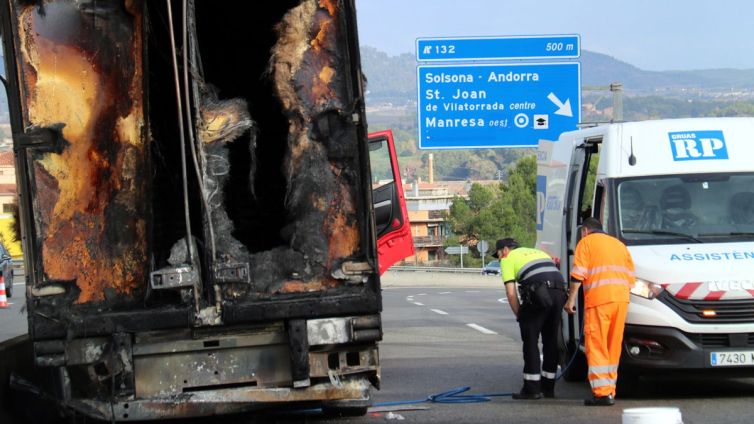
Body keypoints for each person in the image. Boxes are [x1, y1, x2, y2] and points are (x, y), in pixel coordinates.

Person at [565, 218, 635, 406]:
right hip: (621, 301)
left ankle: (601, 393)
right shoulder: (619, 245)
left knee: (596, 345)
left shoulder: (585, 243)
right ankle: (610, 390)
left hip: (599, 301)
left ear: (585, 231)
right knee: (613, 346)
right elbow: (631, 279)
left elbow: (578, 274)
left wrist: (570, 300)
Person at [493, 238, 567, 399]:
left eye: (497, 255)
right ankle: (548, 388)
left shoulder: (507, 259)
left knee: (530, 340)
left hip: (539, 290)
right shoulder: (539, 252)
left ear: (505, 250)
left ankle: (531, 389)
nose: (498, 259)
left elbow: (511, 293)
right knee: (550, 340)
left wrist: (520, 315)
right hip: (560, 290)